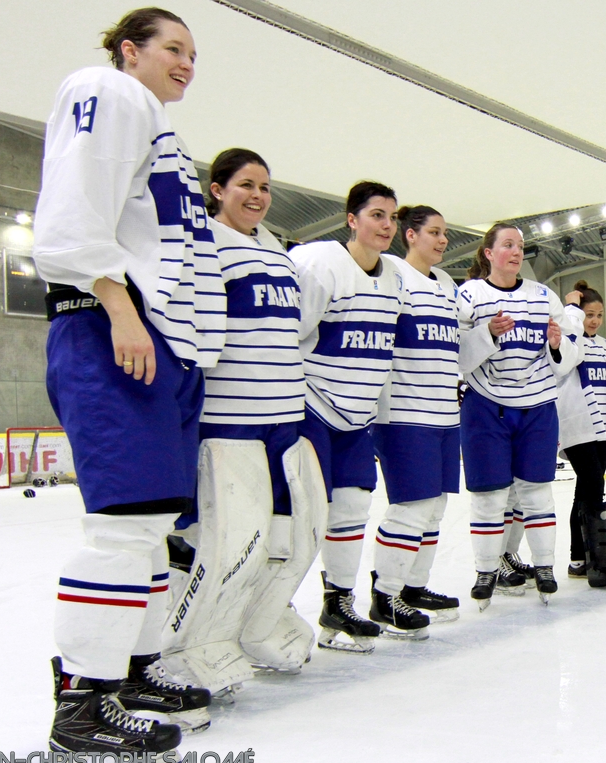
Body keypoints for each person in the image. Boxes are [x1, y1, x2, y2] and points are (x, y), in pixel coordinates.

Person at [34, 7, 218, 754]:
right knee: (120, 529)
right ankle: (82, 704)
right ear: (129, 50)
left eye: (194, 53)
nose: (186, 62)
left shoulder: (157, 126)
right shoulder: (108, 91)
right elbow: (73, 214)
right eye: (173, 48)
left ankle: (132, 670)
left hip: (160, 340)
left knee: (149, 531)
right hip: (116, 328)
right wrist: (116, 305)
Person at [161, 148, 314, 693]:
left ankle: (253, 624)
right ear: (217, 189)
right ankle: (189, 643)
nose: (257, 196)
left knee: (285, 536)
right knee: (228, 541)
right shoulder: (205, 243)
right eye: (245, 184)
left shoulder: (275, 250)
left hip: (282, 419)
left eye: (265, 187)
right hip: (230, 420)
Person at [291, 181, 408, 649]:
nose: (387, 225)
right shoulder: (320, 264)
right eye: (377, 215)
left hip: (357, 417)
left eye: (392, 217)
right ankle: (270, 608)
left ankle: (337, 605)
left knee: (352, 509)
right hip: (312, 406)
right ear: (351, 220)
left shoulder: (395, 277)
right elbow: (292, 336)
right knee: (302, 515)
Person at [457, 223, 577, 608]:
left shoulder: (543, 296)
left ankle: (544, 566)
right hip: (485, 405)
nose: (515, 251)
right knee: (489, 495)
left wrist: (558, 346)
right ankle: (486, 569)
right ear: (488, 253)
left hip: (537, 404)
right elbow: (456, 356)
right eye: (507, 245)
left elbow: (571, 354)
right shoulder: (470, 295)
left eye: (520, 246)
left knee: (537, 491)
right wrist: (488, 334)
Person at [367, 205, 464, 633]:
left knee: (435, 508)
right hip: (405, 412)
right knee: (411, 506)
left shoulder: (446, 283)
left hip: (445, 413)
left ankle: (412, 587)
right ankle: (384, 595)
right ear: (410, 235)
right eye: (434, 232)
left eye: (445, 234)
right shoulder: (391, 273)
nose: (443, 240)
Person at [556, 280, 606, 586]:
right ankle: (599, 557)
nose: (595, 320)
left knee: (586, 491)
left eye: (599, 314)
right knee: (592, 486)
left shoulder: (604, 345)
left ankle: (580, 558)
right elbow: (561, 370)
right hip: (578, 426)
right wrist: (569, 316)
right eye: (589, 313)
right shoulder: (568, 340)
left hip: (604, 428)